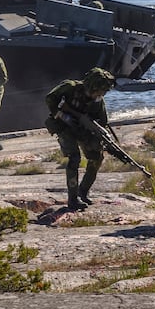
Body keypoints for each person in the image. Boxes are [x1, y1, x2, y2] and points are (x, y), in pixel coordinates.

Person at [45, 68, 117, 210]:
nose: (102, 94)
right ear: (92, 86)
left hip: (82, 130)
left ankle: (83, 192)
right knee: (74, 158)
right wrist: (61, 114)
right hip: (64, 127)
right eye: (100, 90)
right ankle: (73, 199)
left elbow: (102, 121)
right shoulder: (70, 88)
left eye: (104, 92)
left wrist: (101, 137)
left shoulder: (98, 101)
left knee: (97, 157)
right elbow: (50, 98)